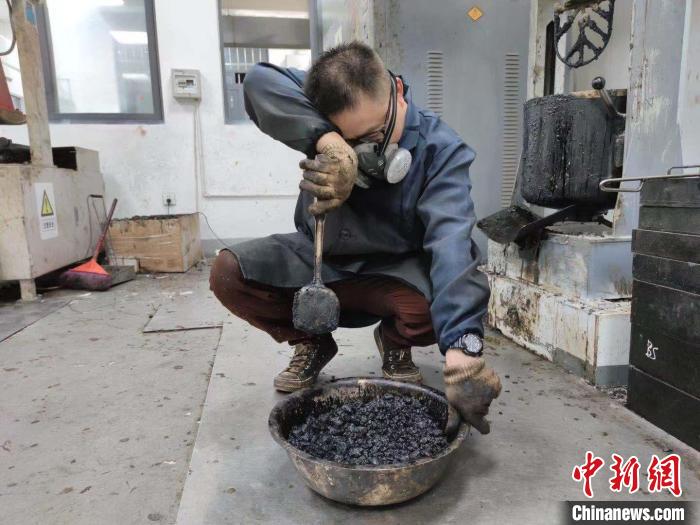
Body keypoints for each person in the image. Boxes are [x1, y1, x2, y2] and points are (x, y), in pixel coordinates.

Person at [210, 42, 501, 434]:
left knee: (442, 298)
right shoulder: (325, 110)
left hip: (394, 272)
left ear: (398, 92)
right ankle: (311, 341)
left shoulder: (441, 150)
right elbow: (260, 82)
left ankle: (395, 341)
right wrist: (328, 142)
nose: (367, 152)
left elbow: (451, 243)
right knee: (229, 273)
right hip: (320, 260)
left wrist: (463, 351)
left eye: (377, 133)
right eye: (351, 141)